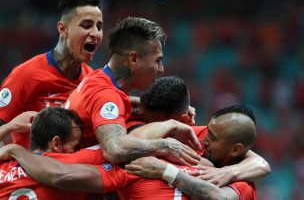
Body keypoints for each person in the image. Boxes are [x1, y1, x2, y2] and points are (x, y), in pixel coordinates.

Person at [0, 105, 261, 200]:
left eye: (211, 138)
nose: (203, 140)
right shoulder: (132, 166)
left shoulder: (239, 179)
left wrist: (10, 143)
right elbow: (121, 148)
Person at [64, 16, 202, 165]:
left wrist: (173, 106)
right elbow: (115, 150)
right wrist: (166, 145)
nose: (161, 69)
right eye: (157, 61)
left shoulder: (98, 78)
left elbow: (119, 104)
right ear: (133, 59)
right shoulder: (106, 95)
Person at [128, 76, 271, 186]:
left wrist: (227, 172)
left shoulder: (199, 135)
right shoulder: (131, 124)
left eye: (155, 122)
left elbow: (262, 165)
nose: (205, 140)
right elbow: (127, 143)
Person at [0, 0, 103, 148]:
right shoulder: (26, 74)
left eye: (99, 27)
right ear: (63, 29)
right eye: (87, 26)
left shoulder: (91, 80)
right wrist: (11, 127)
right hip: (31, 168)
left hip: (73, 168)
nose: (95, 33)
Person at [125, 105, 259, 199]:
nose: (204, 140)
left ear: (235, 150)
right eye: (208, 131)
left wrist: (165, 171)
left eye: (212, 137)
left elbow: (220, 198)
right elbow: (129, 142)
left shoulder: (243, 184)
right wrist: (172, 126)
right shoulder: (197, 142)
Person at [0, 107, 104, 199]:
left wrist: (11, 126)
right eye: (75, 146)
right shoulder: (71, 164)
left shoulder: (4, 165)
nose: (77, 150)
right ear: (56, 144)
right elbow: (115, 150)